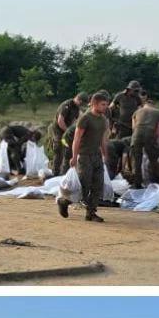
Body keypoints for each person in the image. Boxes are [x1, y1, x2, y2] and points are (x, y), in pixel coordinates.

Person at [65, 91, 110, 223]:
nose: (105, 107)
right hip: (84, 156)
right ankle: (64, 201)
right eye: (103, 104)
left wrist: (104, 154)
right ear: (94, 104)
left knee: (98, 184)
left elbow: (103, 139)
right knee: (84, 185)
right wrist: (74, 157)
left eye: (106, 104)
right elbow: (77, 139)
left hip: (96, 156)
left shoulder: (103, 120)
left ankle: (91, 212)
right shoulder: (85, 118)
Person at [130, 94, 159, 189]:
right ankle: (155, 182)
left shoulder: (137, 112)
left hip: (136, 135)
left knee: (137, 161)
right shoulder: (158, 113)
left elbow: (133, 127)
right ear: (153, 105)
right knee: (153, 160)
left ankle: (137, 184)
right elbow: (158, 131)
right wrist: (158, 142)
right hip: (150, 135)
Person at [50, 92, 88, 176]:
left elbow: (77, 119)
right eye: (82, 103)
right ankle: (55, 173)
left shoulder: (76, 107)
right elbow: (60, 121)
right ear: (79, 100)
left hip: (67, 132)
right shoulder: (66, 105)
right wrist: (68, 131)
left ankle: (65, 172)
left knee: (68, 151)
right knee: (59, 150)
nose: (81, 106)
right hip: (59, 132)